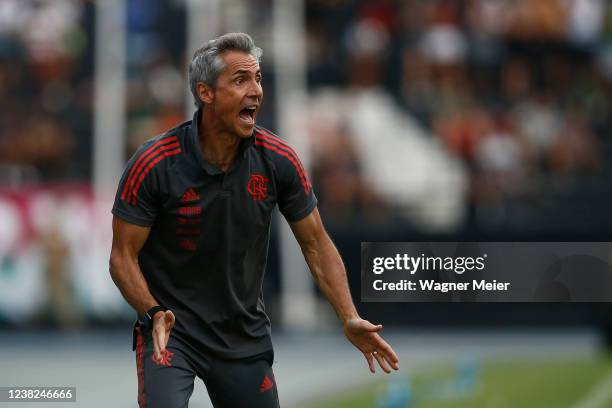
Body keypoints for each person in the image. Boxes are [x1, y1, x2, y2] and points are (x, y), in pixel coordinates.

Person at [109, 32, 399, 408]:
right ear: (205, 92)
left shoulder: (279, 160)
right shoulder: (154, 163)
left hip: (242, 334)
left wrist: (348, 316)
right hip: (171, 331)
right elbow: (121, 257)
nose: (256, 90)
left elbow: (316, 242)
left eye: (258, 78)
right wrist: (153, 313)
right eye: (240, 80)